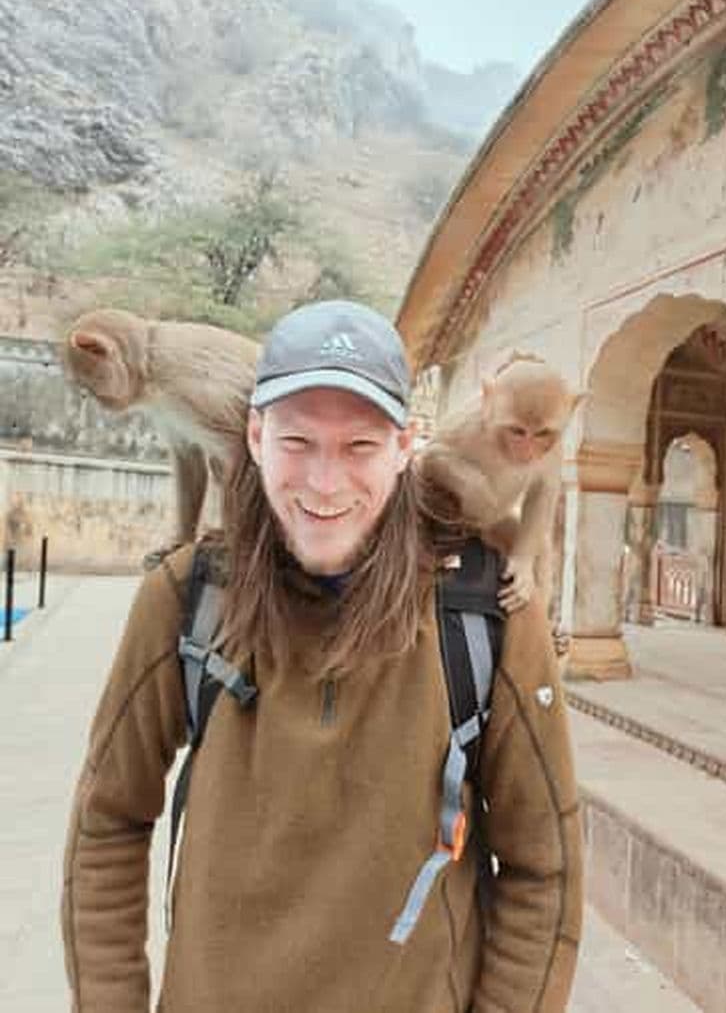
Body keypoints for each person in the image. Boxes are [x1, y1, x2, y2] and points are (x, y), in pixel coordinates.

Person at [61, 300, 583, 1013]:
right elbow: (108, 820)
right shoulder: (188, 599)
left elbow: (544, 869)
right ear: (253, 436)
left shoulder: (484, 616)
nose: (325, 483)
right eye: (298, 441)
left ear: (406, 446)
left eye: (359, 447)